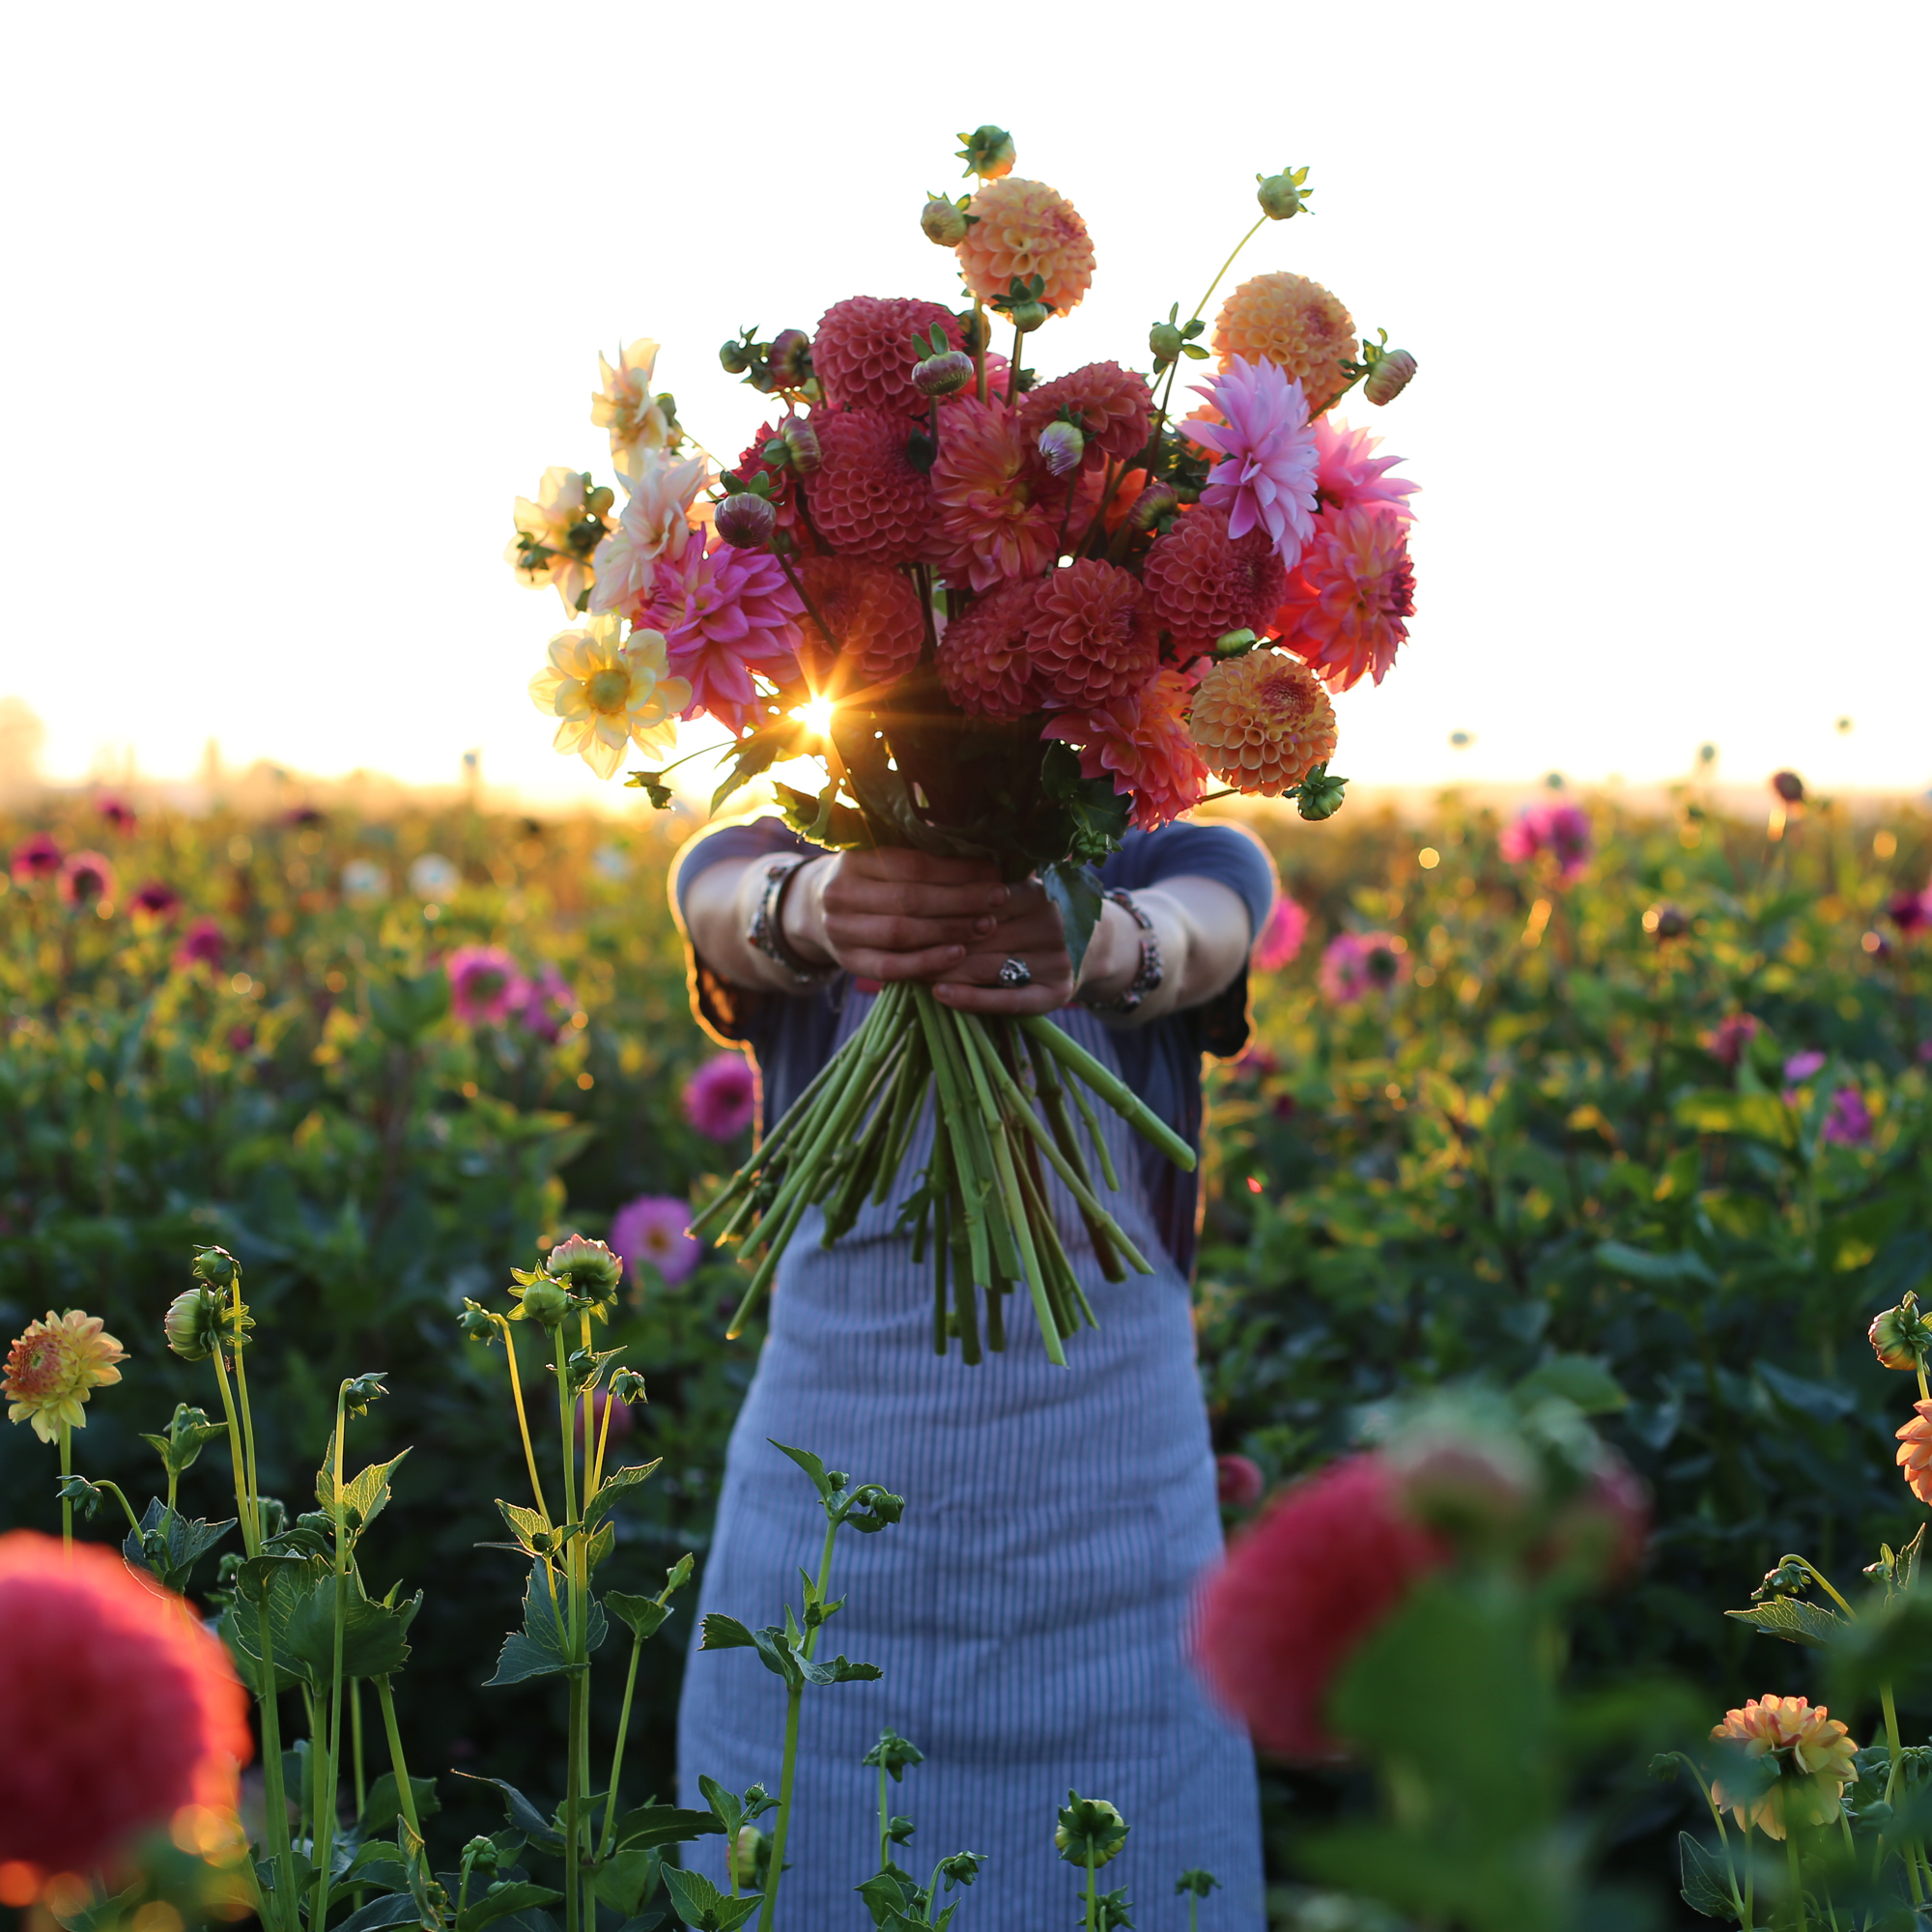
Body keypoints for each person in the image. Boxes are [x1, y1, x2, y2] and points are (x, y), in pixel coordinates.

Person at [672, 816, 1275, 1930]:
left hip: (1117, 1593)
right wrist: (819, 906)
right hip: (823, 1576)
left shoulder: (1174, 866)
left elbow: (1206, 932)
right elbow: (719, 903)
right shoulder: (777, 851)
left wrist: (1100, 944)